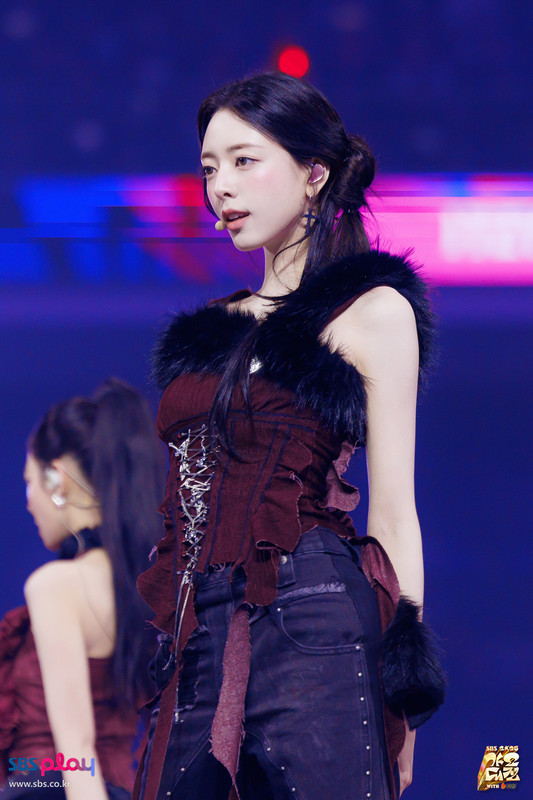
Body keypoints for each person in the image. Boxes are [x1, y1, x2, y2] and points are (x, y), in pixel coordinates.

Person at [135, 72, 445, 800]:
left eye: (244, 161)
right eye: (209, 168)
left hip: (313, 624)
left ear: (314, 174)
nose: (220, 187)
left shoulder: (372, 311)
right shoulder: (216, 327)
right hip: (196, 634)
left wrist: (405, 693)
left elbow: (393, 511)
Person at [0, 379, 164, 800]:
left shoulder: (56, 585)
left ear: (57, 480)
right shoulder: (144, 585)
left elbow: (75, 750)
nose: (28, 501)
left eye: (30, 482)